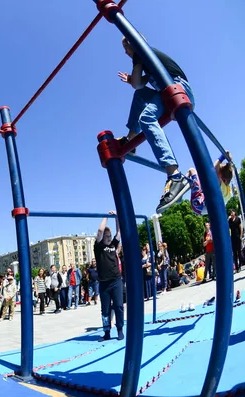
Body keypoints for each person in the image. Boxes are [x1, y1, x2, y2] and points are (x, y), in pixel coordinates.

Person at [117, 36, 195, 213]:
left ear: (133, 43)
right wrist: (132, 80)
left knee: (146, 118)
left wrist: (133, 79)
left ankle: (175, 175)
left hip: (177, 88)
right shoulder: (148, 61)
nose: (125, 52)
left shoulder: (141, 52)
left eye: (126, 47)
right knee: (140, 96)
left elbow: (136, 83)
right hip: (168, 89)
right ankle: (132, 140)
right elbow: (139, 85)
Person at [94, 211, 124, 341]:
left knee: (118, 306)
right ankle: (107, 333)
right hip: (104, 283)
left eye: (109, 236)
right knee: (105, 310)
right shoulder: (98, 247)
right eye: (106, 236)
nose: (107, 237)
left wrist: (116, 217)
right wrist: (106, 217)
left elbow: (119, 232)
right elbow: (100, 231)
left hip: (116, 280)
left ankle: (120, 330)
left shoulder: (113, 245)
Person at [185, 151, 234, 216]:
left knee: (192, 170)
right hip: (203, 208)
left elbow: (212, 170)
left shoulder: (222, 187)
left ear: (223, 180)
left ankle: (182, 182)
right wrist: (229, 163)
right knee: (202, 178)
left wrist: (221, 157)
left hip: (198, 204)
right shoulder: (228, 192)